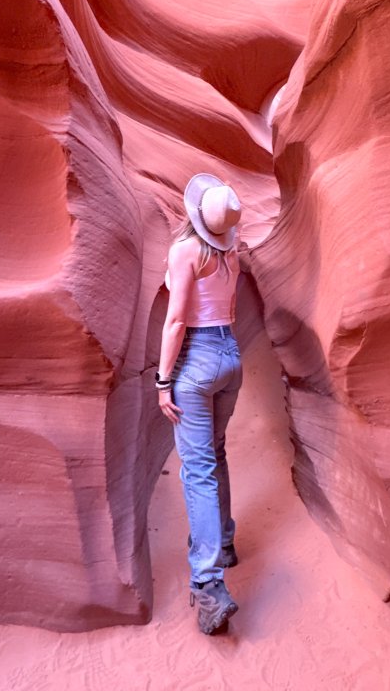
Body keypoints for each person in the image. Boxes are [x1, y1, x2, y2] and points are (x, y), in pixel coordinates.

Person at [156, 173, 244, 635]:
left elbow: (175, 322)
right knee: (218, 450)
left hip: (195, 358)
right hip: (230, 355)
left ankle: (209, 586)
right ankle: (224, 542)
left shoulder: (185, 251)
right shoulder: (231, 247)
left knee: (199, 468)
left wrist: (162, 380)